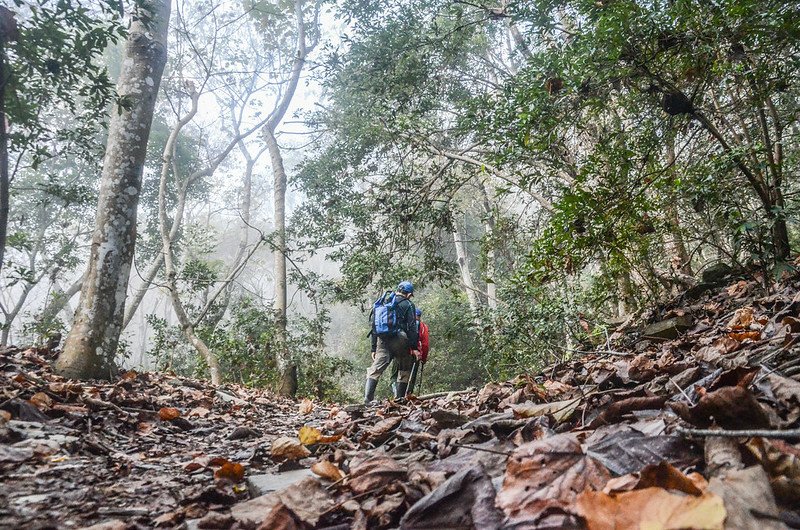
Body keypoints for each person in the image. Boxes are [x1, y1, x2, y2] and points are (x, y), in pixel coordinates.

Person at [364, 281, 419, 403]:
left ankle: (368, 400)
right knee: (404, 367)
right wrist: (414, 348)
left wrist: (373, 348)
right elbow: (411, 327)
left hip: (382, 339)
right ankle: (400, 399)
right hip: (400, 340)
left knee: (376, 368)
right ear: (409, 294)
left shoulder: (384, 302)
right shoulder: (408, 304)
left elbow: (374, 326)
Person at [391, 308, 429, 396]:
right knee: (411, 377)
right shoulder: (423, 327)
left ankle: (396, 393)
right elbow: (425, 344)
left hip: (400, 353)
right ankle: (408, 395)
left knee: (395, 375)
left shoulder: (403, 324)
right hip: (415, 356)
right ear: (419, 316)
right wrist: (423, 358)